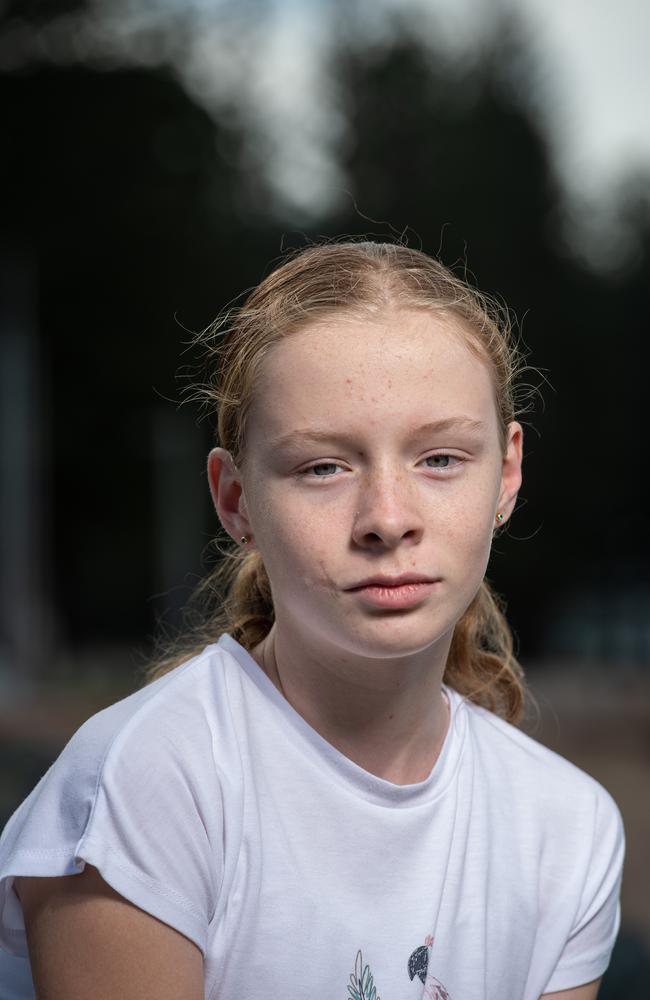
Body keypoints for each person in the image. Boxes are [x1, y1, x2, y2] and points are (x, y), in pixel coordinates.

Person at [0, 240, 624, 999]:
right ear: (235, 501)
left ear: (509, 471)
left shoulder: (568, 828)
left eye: (441, 459)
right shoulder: (146, 784)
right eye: (324, 467)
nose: (388, 519)